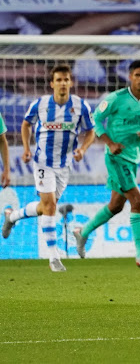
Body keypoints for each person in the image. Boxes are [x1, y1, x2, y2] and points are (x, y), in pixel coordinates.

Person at [2, 65, 95, 272]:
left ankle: (12, 216)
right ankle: (54, 258)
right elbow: (26, 125)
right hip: (42, 161)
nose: (63, 83)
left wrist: (83, 149)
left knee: (46, 207)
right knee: (51, 205)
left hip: (65, 165)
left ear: (71, 82)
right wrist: (26, 149)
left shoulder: (81, 106)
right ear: (52, 83)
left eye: (66, 80)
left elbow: (91, 131)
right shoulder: (40, 104)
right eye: (59, 80)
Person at [73, 60, 140, 268]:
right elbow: (96, 119)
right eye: (138, 75)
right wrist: (110, 143)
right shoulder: (116, 99)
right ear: (130, 77)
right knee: (137, 201)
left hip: (134, 157)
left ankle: (82, 232)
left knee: (116, 205)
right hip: (116, 157)